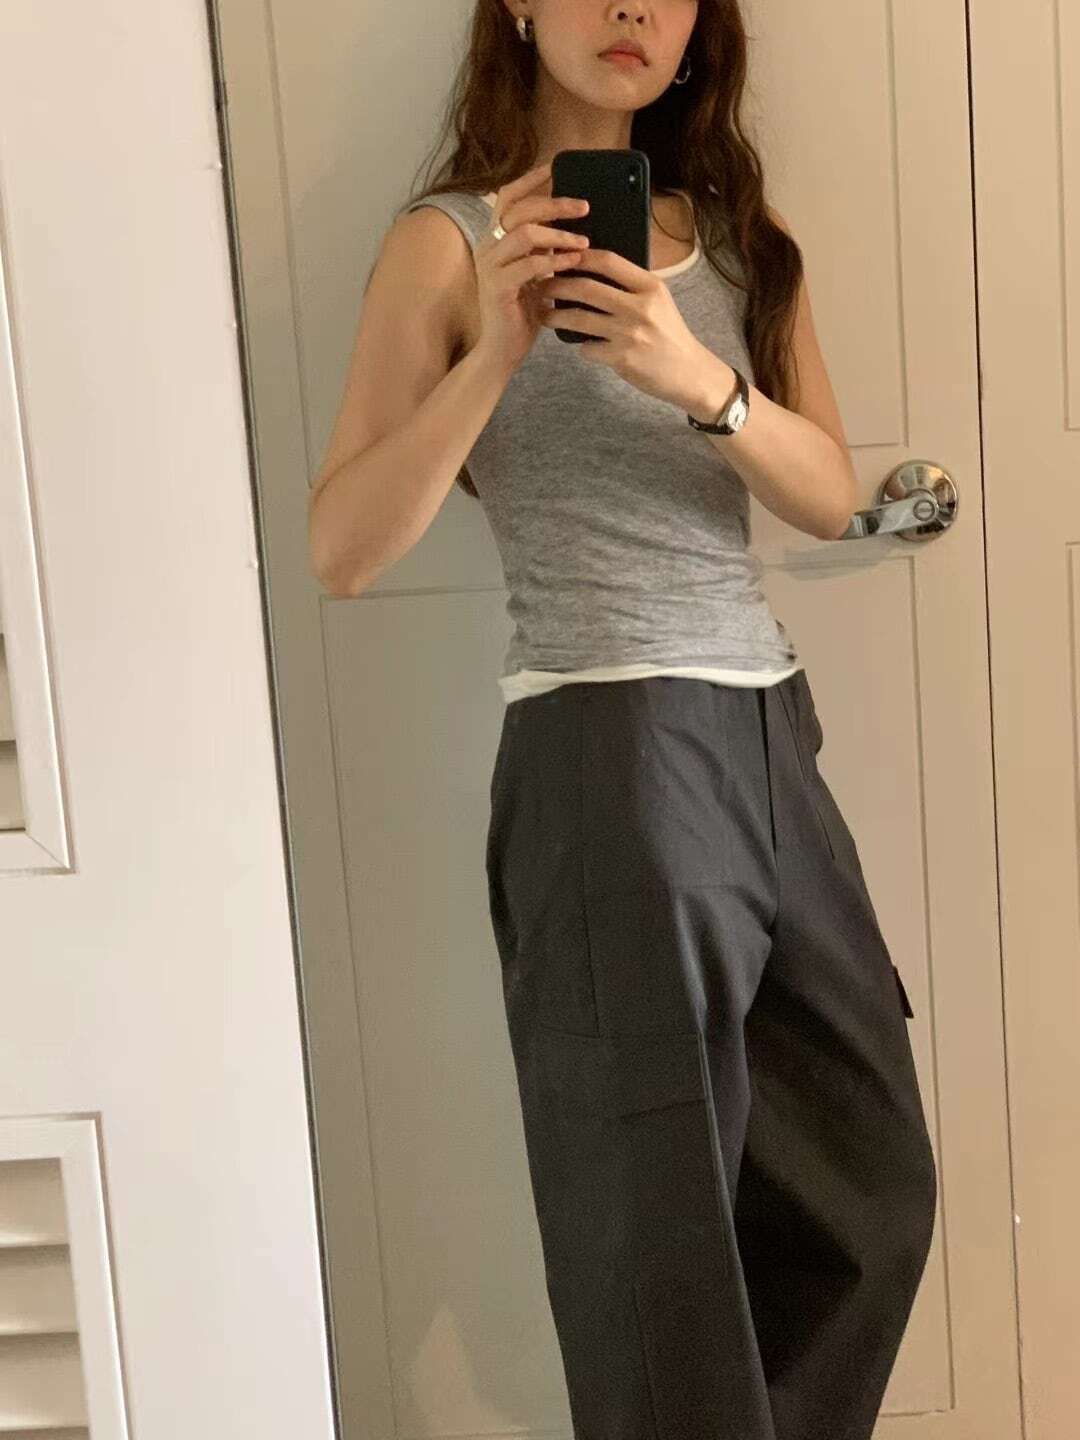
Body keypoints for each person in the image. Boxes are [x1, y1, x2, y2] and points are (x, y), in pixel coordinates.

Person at [308, 3, 937, 1437]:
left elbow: (829, 493)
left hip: (772, 744)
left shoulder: (742, 242)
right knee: (651, 1229)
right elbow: (343, 549)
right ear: (519, 8)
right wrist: (497, 349)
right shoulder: (451, 244)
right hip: (607, 743)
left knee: (870, 1188)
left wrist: (693, 375)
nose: (634, 8)